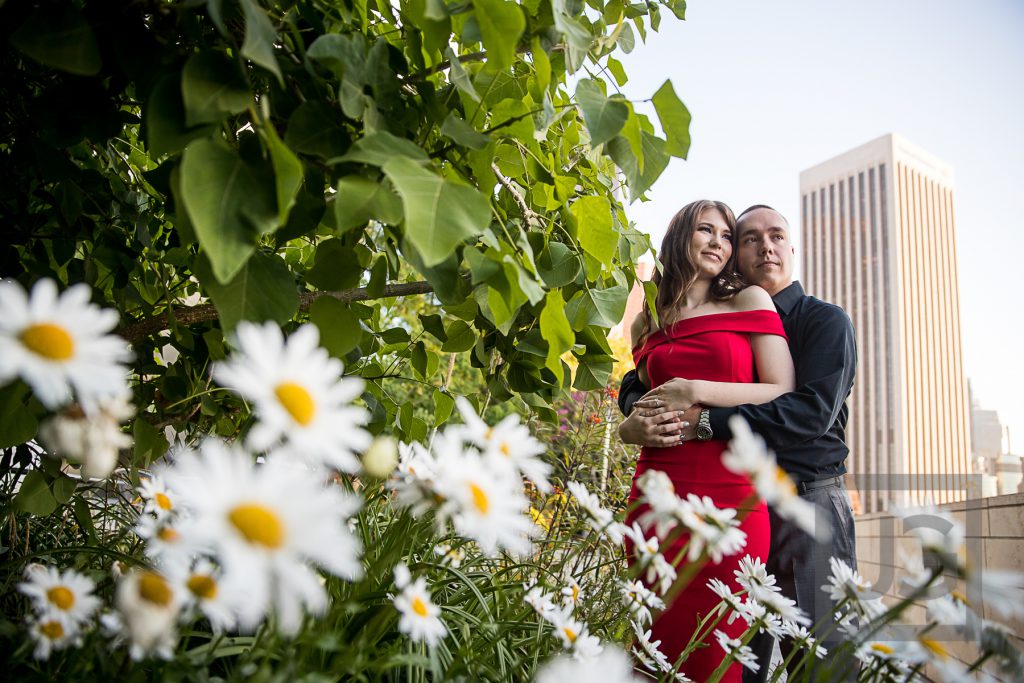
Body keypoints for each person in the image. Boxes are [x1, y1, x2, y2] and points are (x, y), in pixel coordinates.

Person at [617, 205, 858, 682]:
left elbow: (808, 410)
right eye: (749, 239)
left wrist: (704, 417)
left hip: (805, 497)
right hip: (725, 494)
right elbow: (639, 378)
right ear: (735, 257)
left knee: (820, 663)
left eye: (776, 236)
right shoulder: (706, 310)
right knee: (735, 656)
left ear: (791, 248)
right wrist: (632, 420)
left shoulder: (824, 321)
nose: (764, 247)